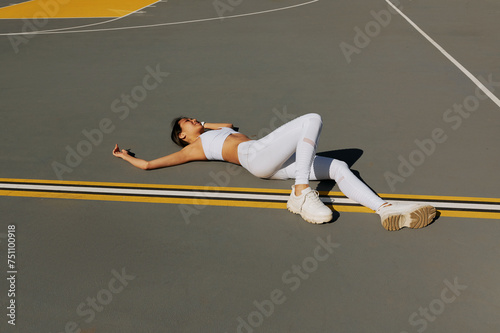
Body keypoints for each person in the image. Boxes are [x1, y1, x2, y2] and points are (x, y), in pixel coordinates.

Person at [112, 113, 436, 230]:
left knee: (337, 166)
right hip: (255, 156)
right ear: (182, 136)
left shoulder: (210, 131)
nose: (195, 121)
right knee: (312, 119)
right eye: (188, 123)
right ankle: (300, 192)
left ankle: (383, 209)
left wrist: (205, 124)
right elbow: (150, 165)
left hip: (269, 157)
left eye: (194, 118)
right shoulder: (191, 148)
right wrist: (127, 157)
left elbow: (228, 124)